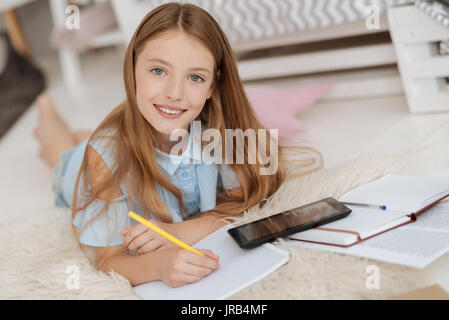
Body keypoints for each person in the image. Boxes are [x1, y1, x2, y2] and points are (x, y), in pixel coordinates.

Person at [34, 3, 322, 288]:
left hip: (121, 137)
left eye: (195, 77)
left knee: (88, 139)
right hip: (91, 163)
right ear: (132, 66)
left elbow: (239, 202)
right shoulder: (103, 160)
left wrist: (179, 232)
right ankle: (46, 114)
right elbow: (108, 260)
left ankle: (78, 132)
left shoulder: (220, 132)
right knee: (60, 157)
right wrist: (158, 265)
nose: (174, 93)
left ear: (212, 85)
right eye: (159, 71)